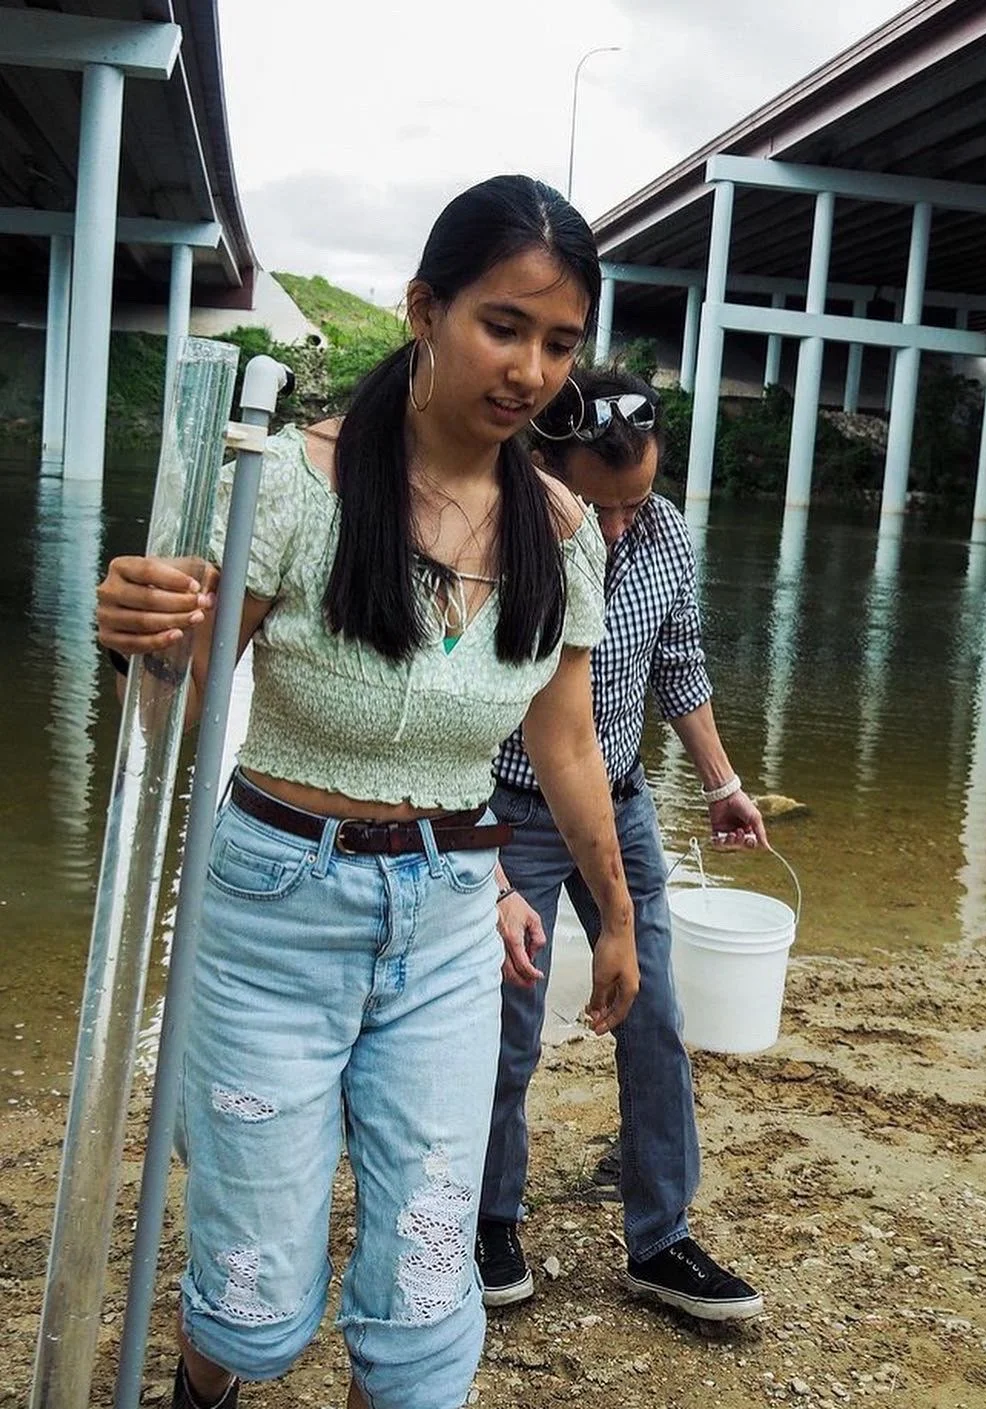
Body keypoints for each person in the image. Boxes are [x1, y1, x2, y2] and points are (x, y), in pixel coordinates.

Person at [96, 176, 639, 1409]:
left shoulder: (561, 528)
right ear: (425, 309)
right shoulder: (291, 487)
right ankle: (207, 1384)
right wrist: (134, 637)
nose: (531, 370)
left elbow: (565, 747)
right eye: (504, 325)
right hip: (272, 908)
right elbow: (175, 702)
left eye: (560, 342)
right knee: (254, 1279)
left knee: (427, 1267)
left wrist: (613, 913)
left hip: (450, 918)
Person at [475, 366, 767, 1323]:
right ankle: (488, 1218)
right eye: (592, 508)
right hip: (511, 810)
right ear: (543, 464)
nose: (612, 531)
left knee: (655, 1014)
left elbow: (677, 661)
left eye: (631, 506)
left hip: (623, 804)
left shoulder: (665, 529)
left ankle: (661, 1236)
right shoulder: (503, 528)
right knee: (508, 1031)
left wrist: (723, 785)